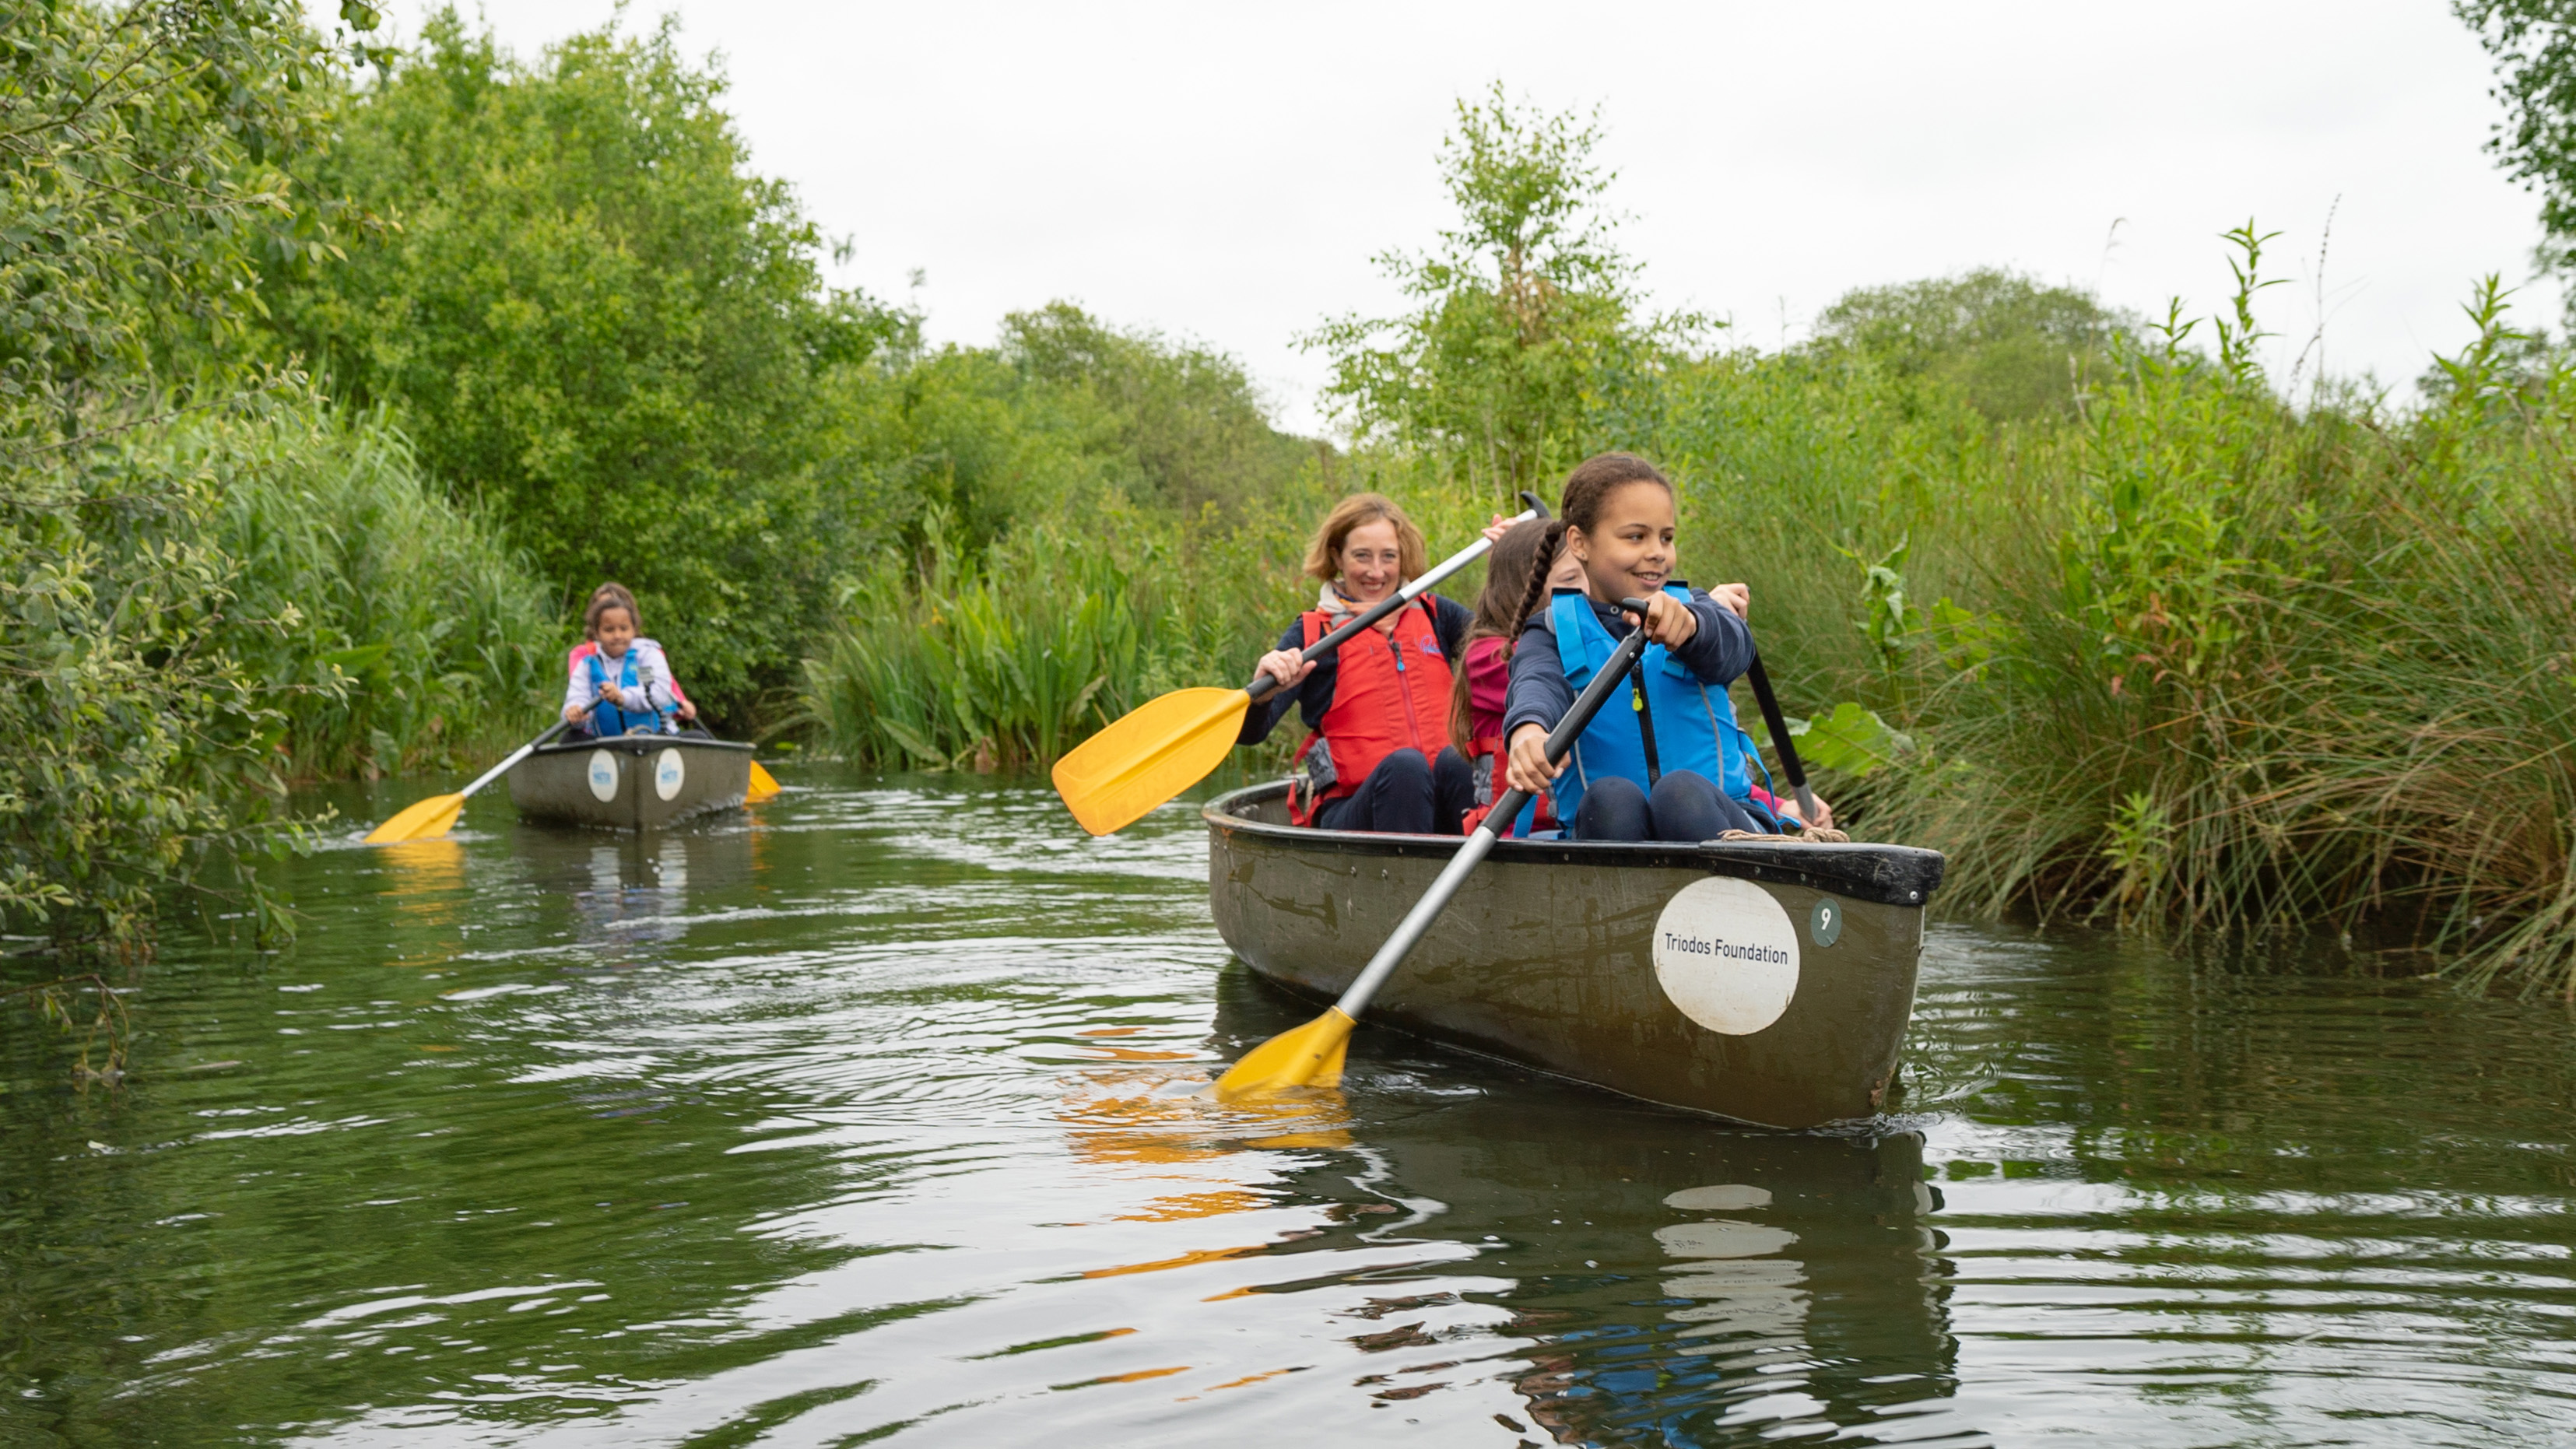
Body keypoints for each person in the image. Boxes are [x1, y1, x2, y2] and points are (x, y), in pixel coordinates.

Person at [1500, 453, 1833, 842]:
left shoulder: (1700, 611)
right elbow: (1535, 683)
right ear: (1580, 543)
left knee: (1679, 794)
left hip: (1719, 824)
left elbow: (1734, 650)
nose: (1658, 551)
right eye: (1636, 537)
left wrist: (1692, 627)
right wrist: (1528, 732)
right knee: (1609, 797)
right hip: (1609, 831)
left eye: (1667, 537)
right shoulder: (1551, 634)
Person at [1241, 493, 1494, 833]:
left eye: (1388, 557)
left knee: (1458, 761)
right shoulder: (1314, 634)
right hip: (1356, 813)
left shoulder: (1437, 616)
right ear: (1337, 556)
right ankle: (1403, 879)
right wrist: (1263, 693)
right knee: (1406, 767)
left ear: (1402, 558)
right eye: (1362, 556)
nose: (1376, 572)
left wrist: (1508, 561)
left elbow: (1507, 651)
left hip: (1443, 810)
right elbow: (1251, 733)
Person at [1447, 518, 1562, 837]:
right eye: (1570, 578)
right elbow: (1557, 674)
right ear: (1529, 585)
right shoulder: (1489, 657)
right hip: (1512, 832)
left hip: (1571, 823)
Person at [562, 583, 700, 738]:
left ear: (634, 628)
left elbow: (659, 694)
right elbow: (577, 697)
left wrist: (622, 698)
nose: (617, 636)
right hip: (607, 743)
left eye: (623, 628)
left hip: (656, 738)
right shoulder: (586, 663)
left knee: (698, 738)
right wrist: (576, 712)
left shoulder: (647, 656)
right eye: (609, 629)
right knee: (570, 737)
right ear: (596, 632)